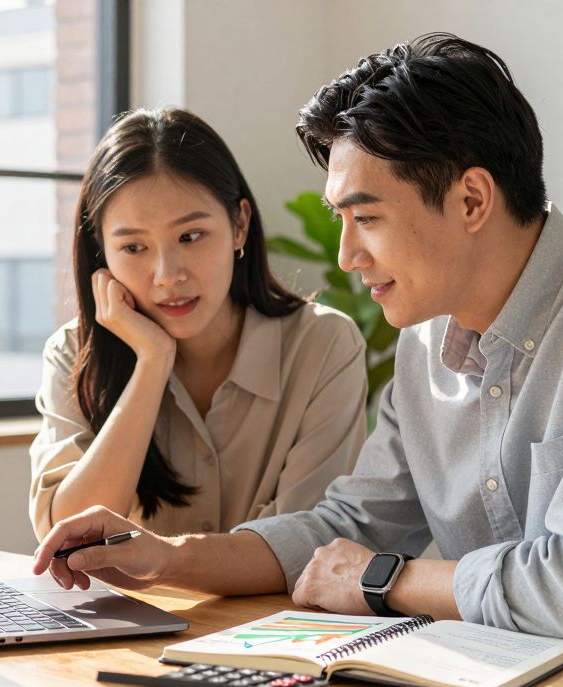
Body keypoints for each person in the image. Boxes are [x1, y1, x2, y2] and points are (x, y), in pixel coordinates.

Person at [31, 35, 563, 658]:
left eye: (365, 218)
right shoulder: (425, 338)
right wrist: (170, 559)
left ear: (472, 198)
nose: (344, 256)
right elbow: (349, 526)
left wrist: (386, 580)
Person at [28, 107, 368, 540]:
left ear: (239, 225)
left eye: (190, 237)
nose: (167, 274)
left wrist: (169, 562)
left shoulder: (323, 345)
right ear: (101, 253)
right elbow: (67, 537)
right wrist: (152, 364)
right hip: (126, 611)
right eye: (133, 247)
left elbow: (308, 543)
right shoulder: (74, 353)